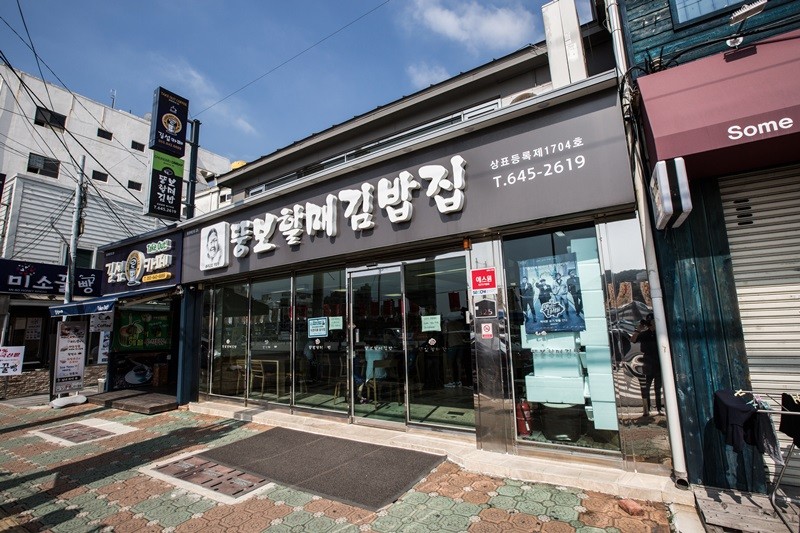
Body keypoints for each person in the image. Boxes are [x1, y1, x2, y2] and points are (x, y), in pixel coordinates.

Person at [630, 313, 662, 416]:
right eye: (650, 321)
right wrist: (638, 329)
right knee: (646, 387)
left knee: (658, 387)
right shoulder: (644, 334)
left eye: (652, 321)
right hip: (647, 362)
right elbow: (633, 340)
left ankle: (659, 408)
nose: (651, 323)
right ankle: (647, 409)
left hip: (658, 362)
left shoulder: (660, 333)